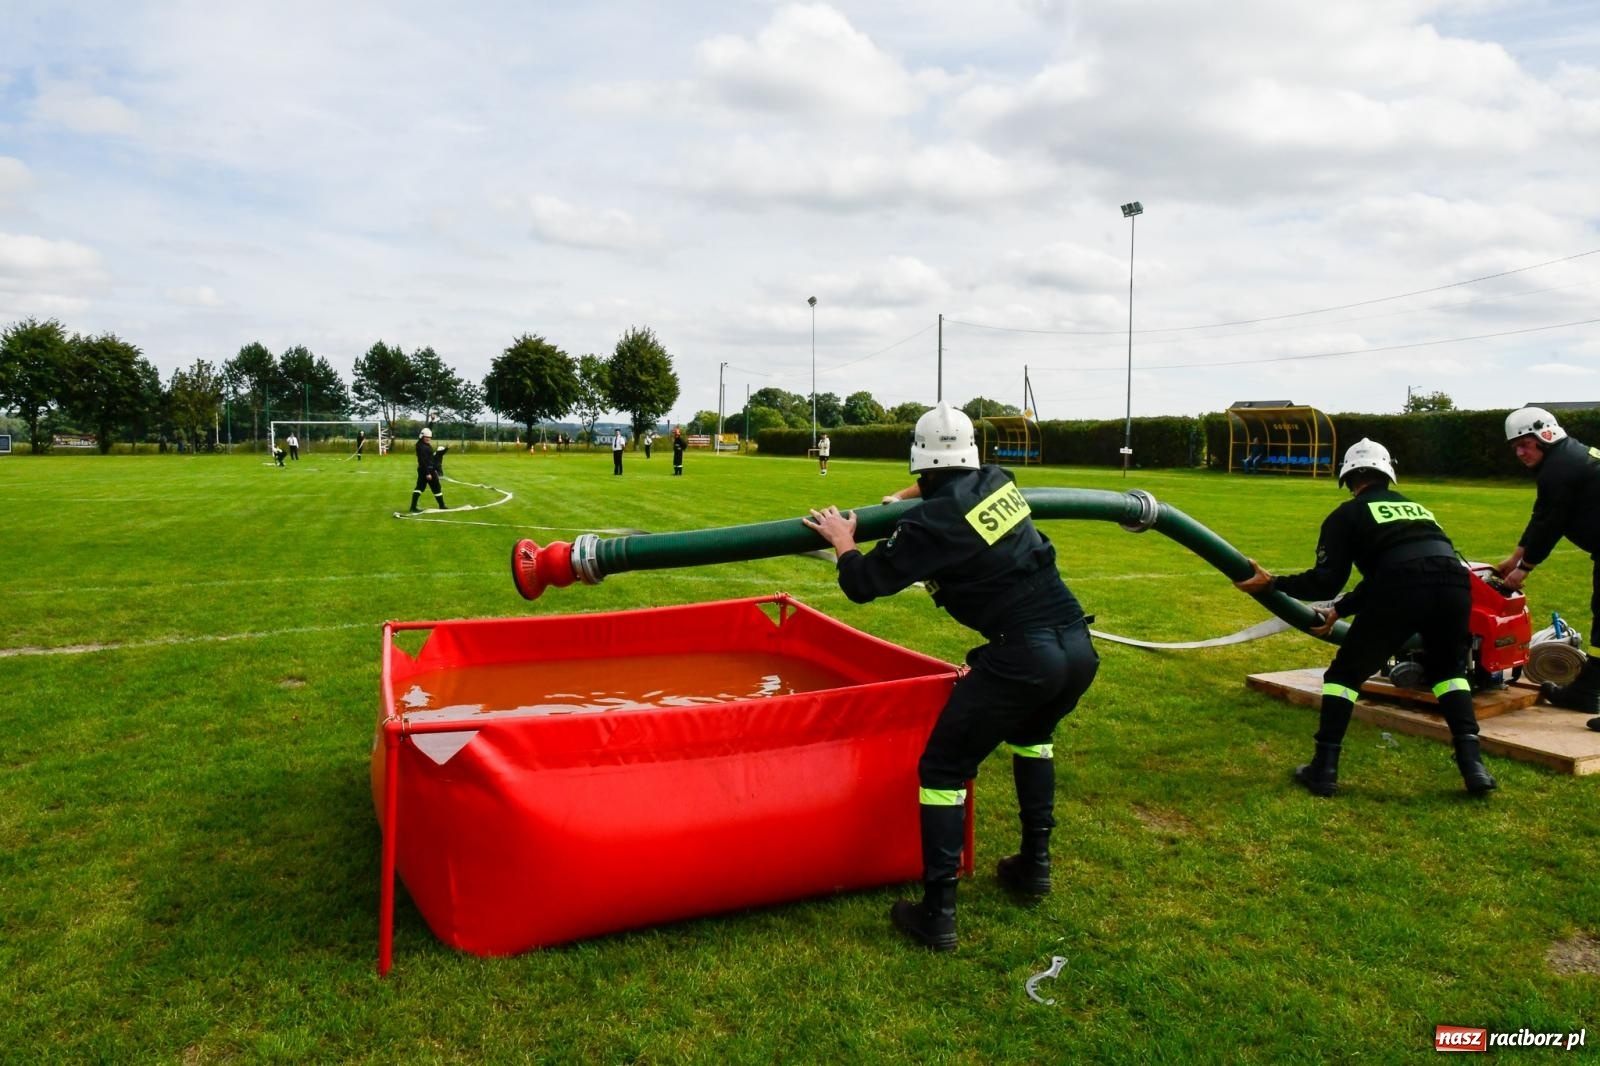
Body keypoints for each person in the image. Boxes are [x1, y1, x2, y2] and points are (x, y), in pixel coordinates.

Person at [801, 402, 1098, 951]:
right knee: (1034, 739)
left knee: (942, 769)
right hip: (1076, 647)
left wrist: (844, 539)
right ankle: (1034, 865)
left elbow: (864, 584)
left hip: (1022, 657)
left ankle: (936, 914)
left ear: (919, 461)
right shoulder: (998, 480)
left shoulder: (931, 526)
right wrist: (903, 500)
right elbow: (952, 485)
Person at [1234, 438, 1497, 796]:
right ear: (1388, 474)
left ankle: (1323, 769)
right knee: (1449, 671)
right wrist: (1340, 610)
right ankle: (1473, 766)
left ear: (1348, 477)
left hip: (1401, 590)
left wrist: (1274, 583)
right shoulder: (1418, 508)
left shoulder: (1347, 514)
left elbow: (1330, 579)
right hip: (1455, 586)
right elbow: (1403, 568)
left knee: (1344, 675)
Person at [1495, 407, 1600, 730]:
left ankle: (1586, 691)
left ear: (1545, 434)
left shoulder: (1560, 469)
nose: (1520, 453)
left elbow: (1551, 524)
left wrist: (1522, 570)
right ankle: (1586, 692)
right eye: (1515, 447)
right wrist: (1513, 558)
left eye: (1525, 444)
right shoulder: (1570, 457)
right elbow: (1542, 516)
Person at [408, 427, 447, 512]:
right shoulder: (421, 446)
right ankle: (442, 506)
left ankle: (413, 507)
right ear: (422, 437)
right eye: (426, 437)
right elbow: (422, 461)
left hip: (426, 469)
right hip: (426, 470)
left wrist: (432, 421)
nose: (428, 439)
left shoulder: (423, 444)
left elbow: (427, 429)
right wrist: (427, 473)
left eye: (429, 437)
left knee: (420, 487)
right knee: (436, 487)